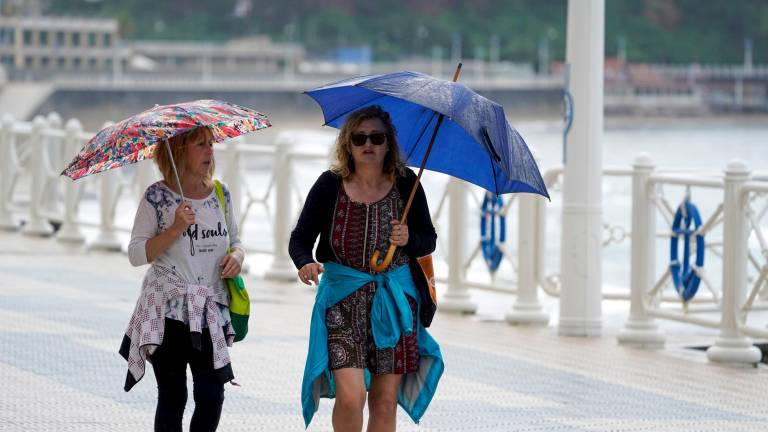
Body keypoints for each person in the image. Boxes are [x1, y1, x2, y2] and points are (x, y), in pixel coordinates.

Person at [289, 105, 444, 431]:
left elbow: (427, 240)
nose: (368, 145)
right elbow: (300, 238)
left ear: (389, 143)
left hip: (395, 306)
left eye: (377, 137)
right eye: (359, 138)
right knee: (351, 397)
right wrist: (305, 263)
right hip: (342, 303)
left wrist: (408, 238)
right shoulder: (330, 184)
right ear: (348, 143)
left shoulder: (407, 184)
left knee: (385, 401)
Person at [119, 126, 244, 432]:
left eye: (211, 144)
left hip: (208, 311)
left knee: (212, 395)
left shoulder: (220, 193)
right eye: (200, 144)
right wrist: (175, 227)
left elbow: (237, 242)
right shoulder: (157, 197)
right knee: (174, 396)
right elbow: (136, 254)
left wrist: (237, 259)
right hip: (167, 313)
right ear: (179, 151)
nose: (209, 150)